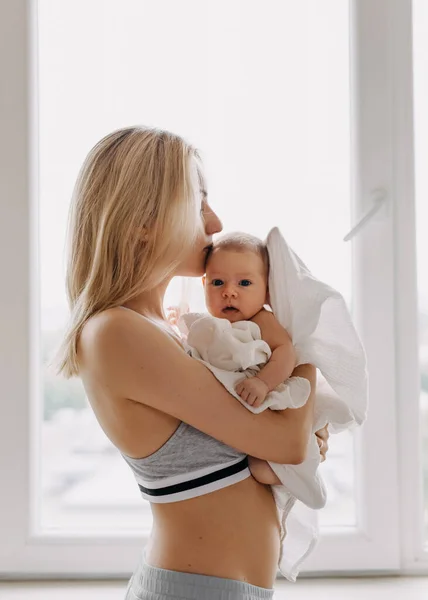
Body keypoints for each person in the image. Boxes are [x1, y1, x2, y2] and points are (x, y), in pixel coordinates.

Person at [56, 125, 329, 600]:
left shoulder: (172, 332)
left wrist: (304, 426)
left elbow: (280, 441)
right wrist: (303, 352)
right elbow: (286, 442)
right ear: (143, 219)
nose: (216, 222)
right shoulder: (117, 333)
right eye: (198, 203)